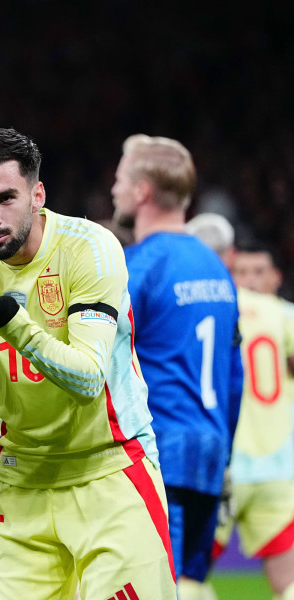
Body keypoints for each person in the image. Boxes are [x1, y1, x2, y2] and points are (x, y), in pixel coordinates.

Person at [0, 128, 175, 600]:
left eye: (5, 198)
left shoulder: (88, 248)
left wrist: (13, 323)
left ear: (37, 195)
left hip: (111, 470)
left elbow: (87, 378)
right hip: (23, 479)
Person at [112, 137, 243, 600]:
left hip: (156, 457)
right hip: (209, 454)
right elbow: (233, 376)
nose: (114, 189)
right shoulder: (217, 267)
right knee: (190, 588)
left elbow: (103, 370)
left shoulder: (136, 267)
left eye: (121, 178)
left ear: (142, 191)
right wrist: (223, 452)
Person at [186, 215, 294, 600]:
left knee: (188, 578)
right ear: (231, 258)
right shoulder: (282, 315)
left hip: (218, 465)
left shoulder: (203, 310)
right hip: (277, 468)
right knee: (288, 581)